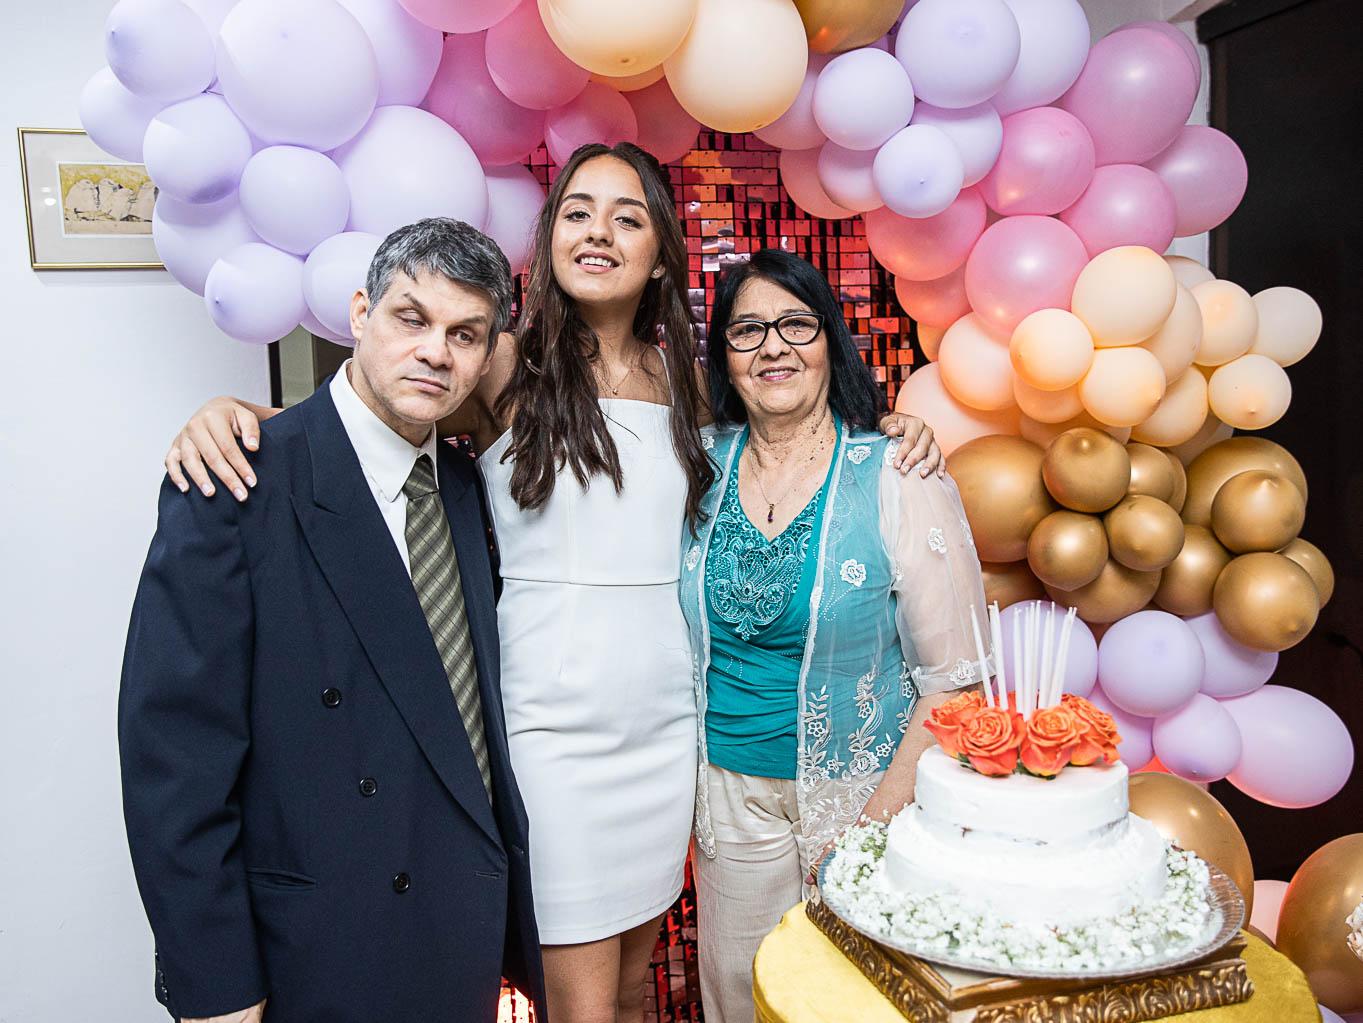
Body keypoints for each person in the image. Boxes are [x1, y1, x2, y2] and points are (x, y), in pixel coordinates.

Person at [160, 143, 944, 1023]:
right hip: (551, 733)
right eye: (577, 211)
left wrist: (894, 426)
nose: (597, 232)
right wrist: (239, 416)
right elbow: (370, 419)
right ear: (550, 236)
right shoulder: (499, 361)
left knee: (634, 987)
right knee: (579, 1006)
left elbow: (785, 434)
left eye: (626, 216)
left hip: (665, 726)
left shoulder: (685, 382)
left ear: (659, 254)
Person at [119, 218, 544, 1023]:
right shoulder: (234, 481)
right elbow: (173, 760)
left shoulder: (463, 487)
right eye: (411, 318)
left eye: (464, 334)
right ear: (359, 313)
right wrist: (216, 985)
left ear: (488, 353)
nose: (434, 352)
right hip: (315, 948)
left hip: (457, 933)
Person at [679, 249, 991, 1022]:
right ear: (724, 356)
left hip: (866, 798)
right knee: (742, 998)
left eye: (795, 324)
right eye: (747, 330)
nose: (772, 347)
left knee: (856, 1005)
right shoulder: (695, 466)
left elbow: (957, 680)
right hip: (726, 800)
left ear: (829, 341)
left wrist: (869, 832)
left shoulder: (896, 470)